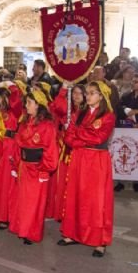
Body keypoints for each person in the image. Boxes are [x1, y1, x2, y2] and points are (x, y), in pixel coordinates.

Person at [58, 81, 116, 257]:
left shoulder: (108, 116)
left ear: (101, 96)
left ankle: (99, 240)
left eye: (92, 93)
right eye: (88, 93)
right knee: (75, 196)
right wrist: (82, 135)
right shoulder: (79, 113)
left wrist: (79, 133)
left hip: (97, 161)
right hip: (79, 158)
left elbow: (98, 138)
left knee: (96, 200)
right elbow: (68, 138)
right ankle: (73, 233)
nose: (87, 96)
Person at [9, 88, 58, 244]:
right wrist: (15, 164)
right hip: (24, 167)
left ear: (38, 105)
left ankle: (31, 232)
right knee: (23, 202)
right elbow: (18, 145)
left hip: (38, 168)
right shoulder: (24, 122)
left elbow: (50, 149)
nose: (26, 105)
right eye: (26, 102)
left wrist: (45, 170)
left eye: (29, 102)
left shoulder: (47, 125)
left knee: (35, 204)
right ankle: (22, 229)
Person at [47, 83, 87, 221]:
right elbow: (56, 106)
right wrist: (63, 88)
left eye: (79, 93)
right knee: (61, 180)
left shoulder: (87, 111)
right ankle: (60, 211)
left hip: (78, 149)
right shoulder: (68, 108)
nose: (76, 96)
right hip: (64, 148)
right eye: (74, 93)